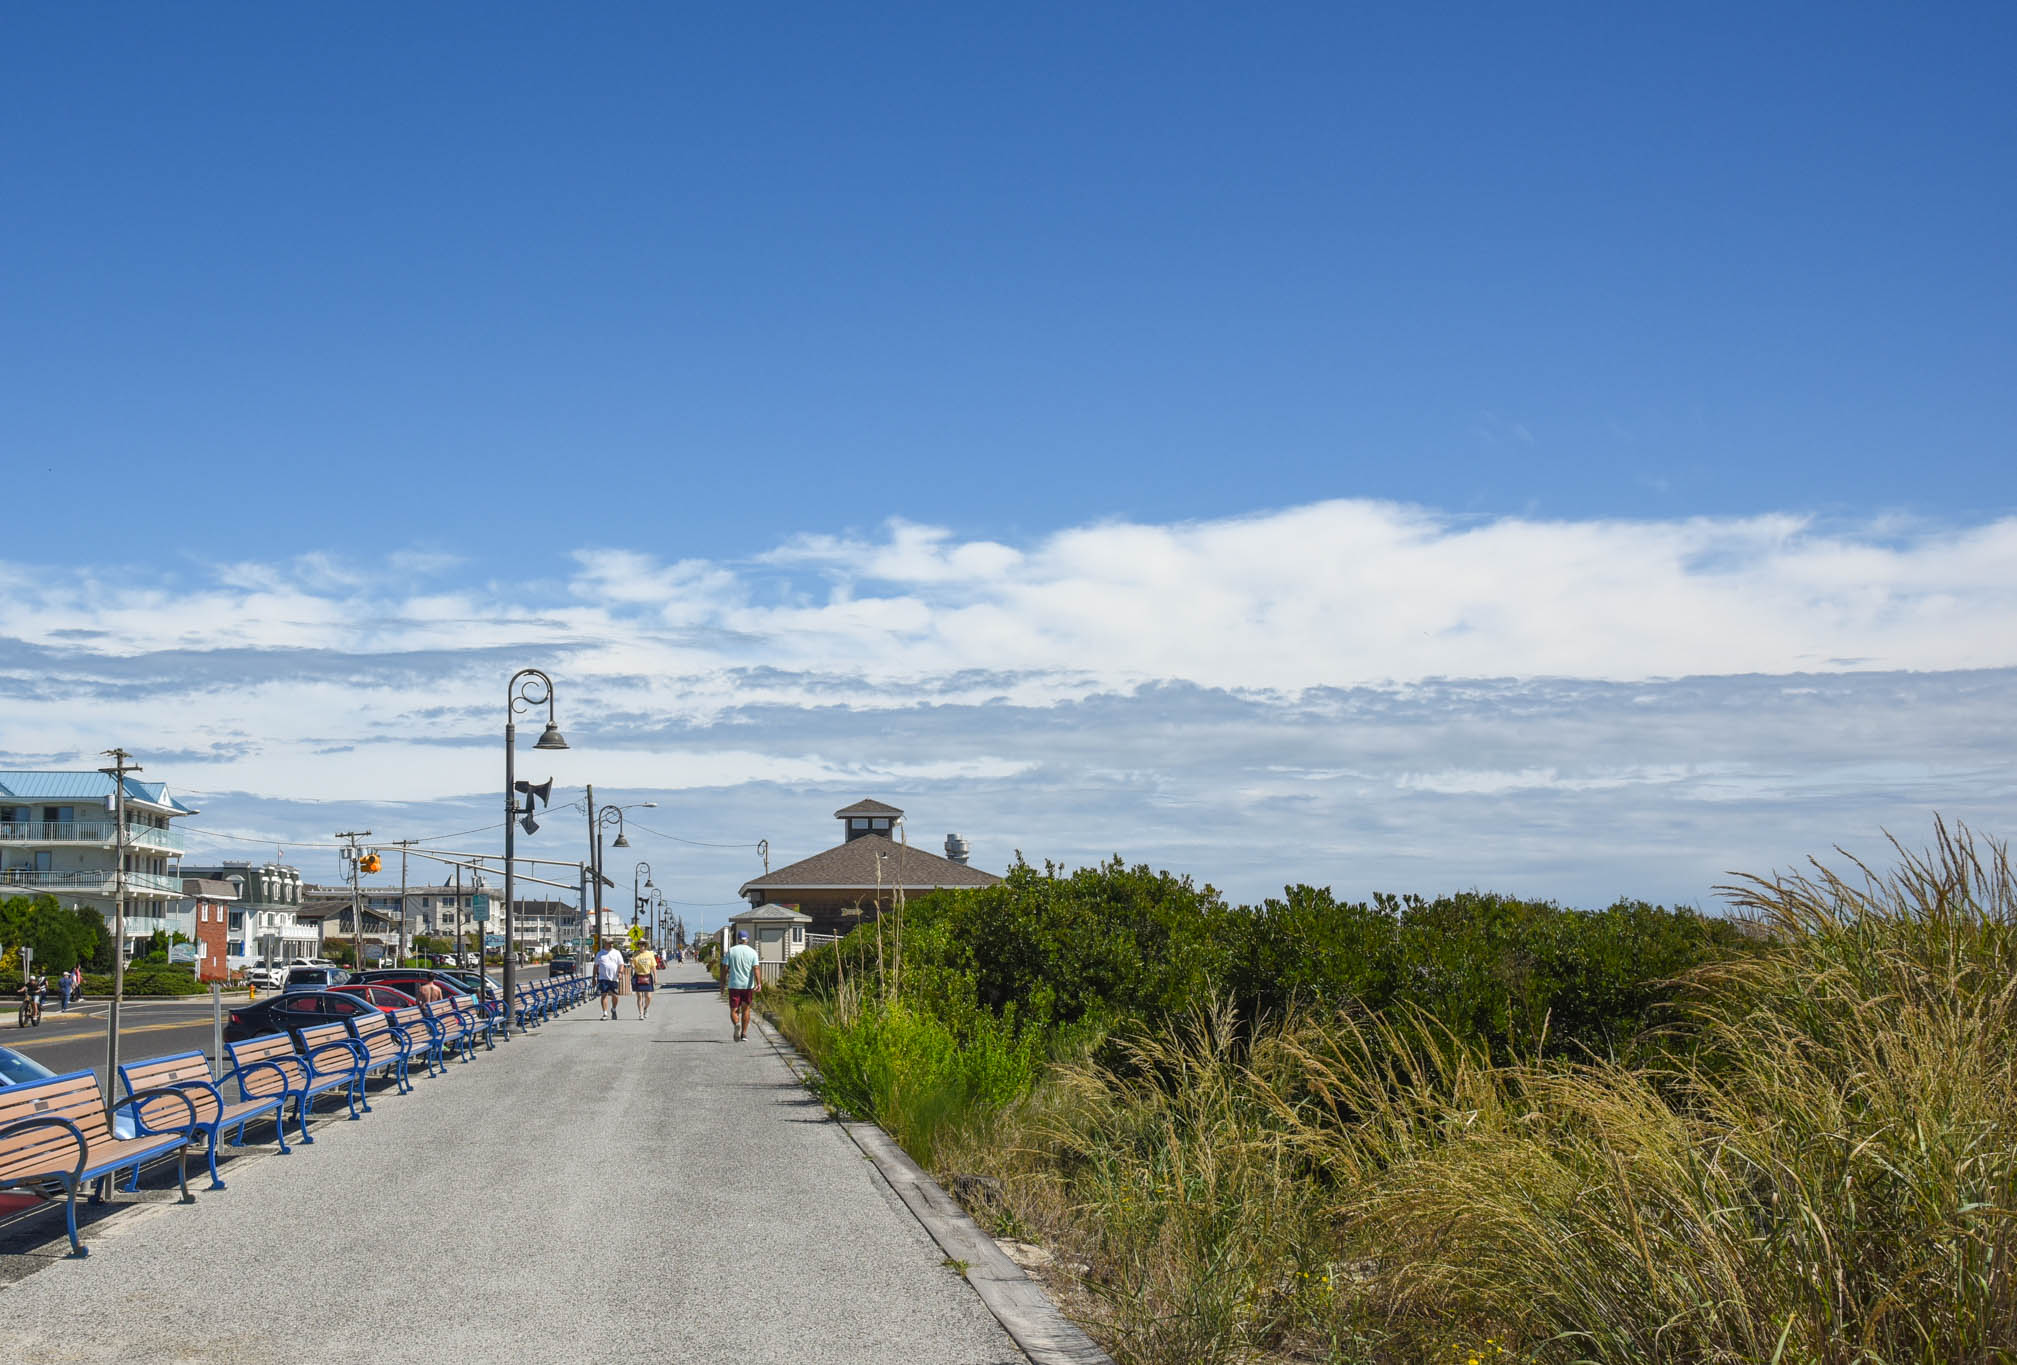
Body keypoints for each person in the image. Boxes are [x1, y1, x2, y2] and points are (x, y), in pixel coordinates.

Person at [722, 931, 760, 1042]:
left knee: (734, 1010)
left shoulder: (731, 951)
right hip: (748, 985)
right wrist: (759, 983)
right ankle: (744, 1034)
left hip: (734, 985)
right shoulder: (753, 952)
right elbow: (756, 968)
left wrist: (722, 983)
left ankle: (736, 1024)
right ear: (747, 939)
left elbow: (725, 968)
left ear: (738, 939)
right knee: (746, 1009)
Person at [594, 943, 626, 1020]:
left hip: (614, 978)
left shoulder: (617, 952)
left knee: (615, 996)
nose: (611, 944)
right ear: (605, 944)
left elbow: (621, 964)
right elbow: (595, 966)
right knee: (604, 995)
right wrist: (594, 977)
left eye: (612, 943)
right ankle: (605, 1013)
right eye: (609, 943)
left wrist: (620, 973)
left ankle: (613, 1009)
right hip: (603, 978)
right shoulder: (600, 953)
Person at [629, 945, 658, 1020]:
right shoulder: (635, 954)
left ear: (645, 946)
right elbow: (633, 966)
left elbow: (653, 966)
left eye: (643, 944)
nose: (641, 946)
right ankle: (641, 1014)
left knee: (648, 997)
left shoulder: (650, 954)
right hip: (638, 976)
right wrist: (631, 964)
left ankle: (645, 1008)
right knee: (639, 997)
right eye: (640, 944)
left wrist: (655, 977)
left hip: (647, 976)